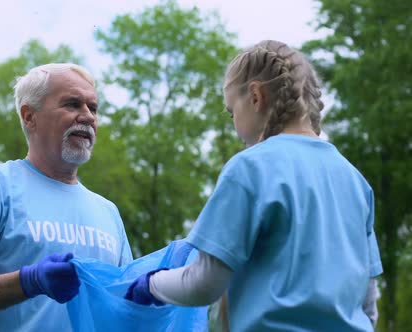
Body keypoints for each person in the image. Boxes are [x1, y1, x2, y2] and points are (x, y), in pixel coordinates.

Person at [125, 40, 382, 331]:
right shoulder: (354, 179)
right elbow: (368, 303)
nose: (233, 123)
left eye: (231, 111)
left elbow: (205, 284)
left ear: (255, 96)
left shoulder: (250, 168)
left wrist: (150, 284)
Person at [0, 63, 133, 331]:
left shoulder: (108, 212)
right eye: (72, 104)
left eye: (93, 108)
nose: (88, 117)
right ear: (29, 116)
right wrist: (28, 281)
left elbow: (125, 307)